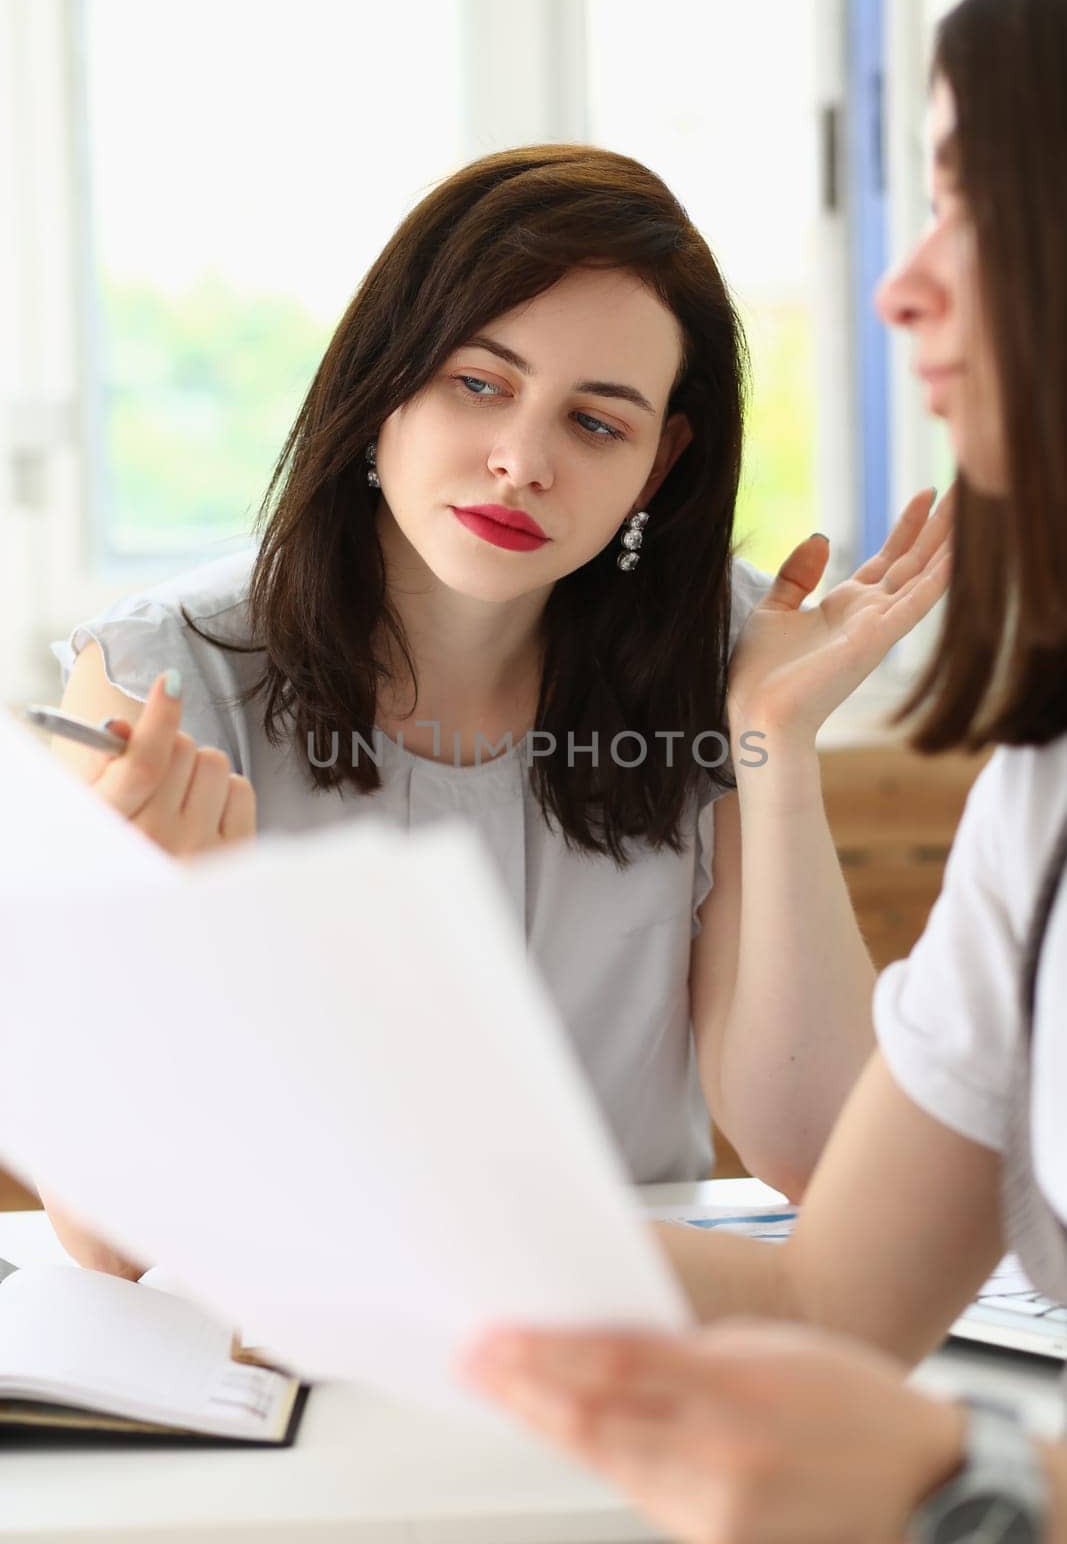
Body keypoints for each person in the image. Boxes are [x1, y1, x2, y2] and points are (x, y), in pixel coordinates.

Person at [47, 144, 948, 1273]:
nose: (521, 461)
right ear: (386, 378)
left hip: (628, 1344)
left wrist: (773, 744)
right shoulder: (167, 678)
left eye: (595, 423)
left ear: (658, 465)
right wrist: (163, 941)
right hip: (284, 1356)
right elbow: (108, 1240)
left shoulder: (720, 657)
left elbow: (823, 1155)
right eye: (479, 384)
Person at [463, 0, 1067, 1542]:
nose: (898, 283)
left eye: (973, 196)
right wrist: (375, 1217)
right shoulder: (1042, 797)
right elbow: (827, 1288)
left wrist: (999, 1487)